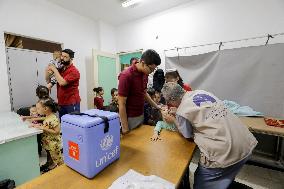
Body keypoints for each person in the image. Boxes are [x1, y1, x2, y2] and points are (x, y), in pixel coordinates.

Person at [161, 82, 258, 189]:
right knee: (226, 177)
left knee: (202, 184)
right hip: (244, 142)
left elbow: (187, 135)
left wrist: (173, 120)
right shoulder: (201, 92)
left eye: (169, 102)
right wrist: (179, 113)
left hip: (225, 152)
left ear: (171, 100)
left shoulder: (182, 110)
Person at [118, 49, 161, 134]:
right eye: (151, 69)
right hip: (130, 117)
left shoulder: (145, 74)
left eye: (154, 69)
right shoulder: (126, 75)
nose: (152, 72)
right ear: (142, 62)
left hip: (141, 113)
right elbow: (121, 103)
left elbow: (144, 93)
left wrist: (157, 106)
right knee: (131, 144)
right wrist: (125, 127)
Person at [30, 97, 63, 172]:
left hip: (53, 143)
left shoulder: (54, 118)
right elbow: (44, 119)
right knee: (50, 155)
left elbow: (57, 131)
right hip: (48, 141)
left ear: (45, 109)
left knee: (57, 158)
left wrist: (42, 127)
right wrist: (34, 120)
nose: (37, 110)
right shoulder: (47, 116)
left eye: (38, 108)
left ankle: (62, 169)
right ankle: (51, 164)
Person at [45, 49, 80, 119]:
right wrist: (47, 69)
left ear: (71, 58)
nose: (62, 58)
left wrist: (54, 69)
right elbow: (47, 80)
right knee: (63, 124)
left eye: (65, 57)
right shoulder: (61, 69)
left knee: (73, 124)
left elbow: (62, 83)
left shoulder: (74, 71)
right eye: (62, 56)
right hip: (61, 103)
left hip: (71, 103)